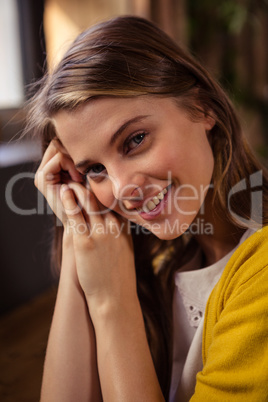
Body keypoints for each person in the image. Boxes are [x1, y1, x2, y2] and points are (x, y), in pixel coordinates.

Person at [28, 15, 268, 401]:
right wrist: (79, 229)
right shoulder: (160, 258)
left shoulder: (261, 268)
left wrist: (111, 302)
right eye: (95, 169)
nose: (123, 189)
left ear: (202, 106)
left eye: (135, 139)